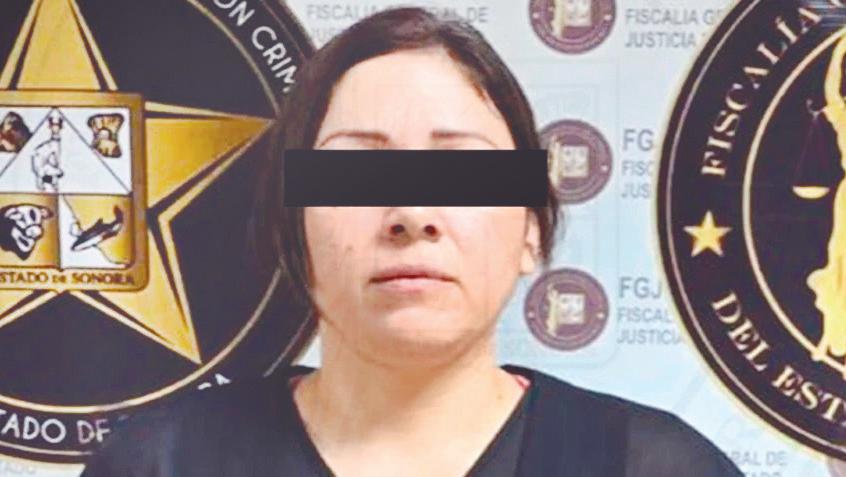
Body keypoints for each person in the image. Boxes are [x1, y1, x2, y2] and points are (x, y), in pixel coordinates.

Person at [81, 7, 743, 476]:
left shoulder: (649, 465)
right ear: (293, 230)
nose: (412, 212)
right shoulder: (164, 462)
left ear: (531, 231)